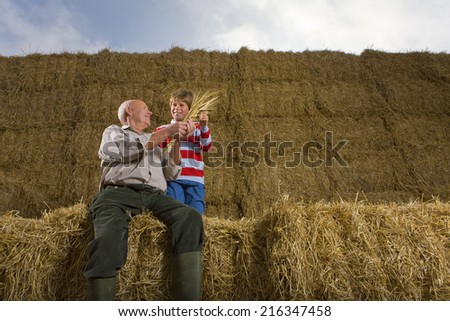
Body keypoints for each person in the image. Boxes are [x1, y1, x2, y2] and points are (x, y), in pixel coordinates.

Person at [83, 99, 204, 301]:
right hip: (117, 195)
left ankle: (187, 303)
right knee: (107, 240)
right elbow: (123, 151)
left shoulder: (154, 142)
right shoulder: (114, 132)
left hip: (154, 196)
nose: (150, 112)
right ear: (129, 111)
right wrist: (167, 131)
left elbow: (171, 172)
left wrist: (178, 141)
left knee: (190, 217)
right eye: (146, 108)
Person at [155, 89, 212, 215]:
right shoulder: (163, 130)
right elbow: (157, 153)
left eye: (182, 105)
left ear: (190, 109)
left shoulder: (197, 128)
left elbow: (207, 147)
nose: (177, 108)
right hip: (173, 179)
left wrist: (204, 126)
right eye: (174, 104)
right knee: (175, 211)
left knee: (196, 213)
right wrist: (174, 136)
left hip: (195, 180)